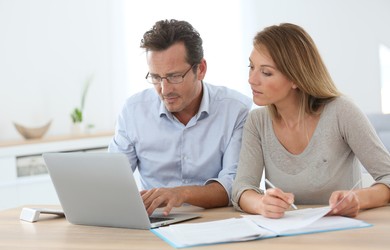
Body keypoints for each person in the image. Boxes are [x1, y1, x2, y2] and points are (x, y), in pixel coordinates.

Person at [232, 23, 390, 218]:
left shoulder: (342, 112)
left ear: (295, 79)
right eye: (251, 67)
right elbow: (242, 188)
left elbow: (388, 177)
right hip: (286, 237)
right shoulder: (257, 121)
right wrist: (260, 203)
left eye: (266, 72)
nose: (251, 79)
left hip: (343, 234)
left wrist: (358, 198)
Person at [109, 19, 252, 216]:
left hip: (214, 221)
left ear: (200, 69)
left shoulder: (236, 110)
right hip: (155, 222)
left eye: (174, 76)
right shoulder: (133, 111)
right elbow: (112, 179)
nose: (165, 90)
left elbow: (234, 186)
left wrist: (181, 193)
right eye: (156, 78)